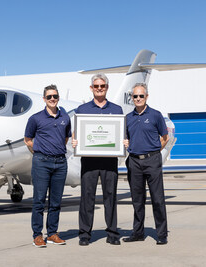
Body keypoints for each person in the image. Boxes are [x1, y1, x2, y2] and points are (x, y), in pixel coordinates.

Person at [72, 73, 123, 246]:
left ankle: (113, 233)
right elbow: (76, 133)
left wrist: (123, 141)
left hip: (110, 161)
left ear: (107, 88)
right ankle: (85, 234)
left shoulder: (117, 110)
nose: (99, 89)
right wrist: (75, 141)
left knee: (111, 197)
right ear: (91, 88)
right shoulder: (82, 109)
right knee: (87, 198)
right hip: (89, 161)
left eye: (102, 86)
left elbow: (121, 134)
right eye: (96, 86)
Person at [24, 84, 71, 248]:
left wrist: (55, 150)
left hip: (60, 162)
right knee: (39, 200)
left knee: (56, 201)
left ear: (58, 98)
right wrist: (38, 152)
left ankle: (52, 233)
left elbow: (66, 138)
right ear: (44, 99)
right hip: (41, 162)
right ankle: (37, 235)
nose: (52, 99)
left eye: (55, 96)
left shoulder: (65, 118)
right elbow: (28, 139)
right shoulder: (35, 118)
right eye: (49, 97)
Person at [122, 83, 170, 245]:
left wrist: (154, 152)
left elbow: (165, 137)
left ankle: (162, 234)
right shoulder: (128, 118)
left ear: (146, 97)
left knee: (157, 198)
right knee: (137, 199)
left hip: (152, 161)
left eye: (141, 96)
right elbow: (125, 138)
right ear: (132, 98)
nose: (138, 99)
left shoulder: (155, 115)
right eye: (135, 96)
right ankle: (138, 232)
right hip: (134, 161)